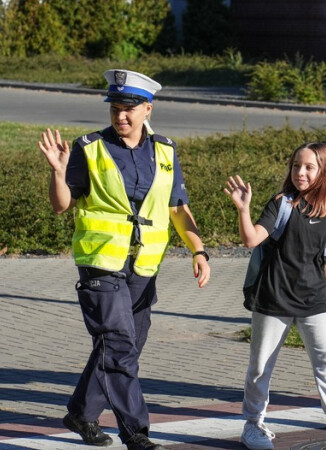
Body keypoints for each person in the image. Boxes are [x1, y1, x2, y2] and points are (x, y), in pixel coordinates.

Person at [37, 69, 211, 450]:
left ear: (148, 109)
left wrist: (198, 250)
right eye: (116, 108)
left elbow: (177, 207)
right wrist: (58, 172)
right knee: (118, 346)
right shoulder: (89, 147)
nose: (121, 116)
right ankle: (136, 432)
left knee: (124, 346)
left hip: (142, 269)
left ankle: (81, 413)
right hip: (101, 262)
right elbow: (60, 205)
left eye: (130, 109)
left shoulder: (165, 150)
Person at [224, 143, 326, 450]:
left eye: (309, 167)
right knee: (260, 367)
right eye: (297, 165)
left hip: (315, 302)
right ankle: (253, 425)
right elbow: (251, 239)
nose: (301, 173)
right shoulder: (281, 204)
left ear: (324, 170)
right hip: (274, 298)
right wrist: (243, 209)